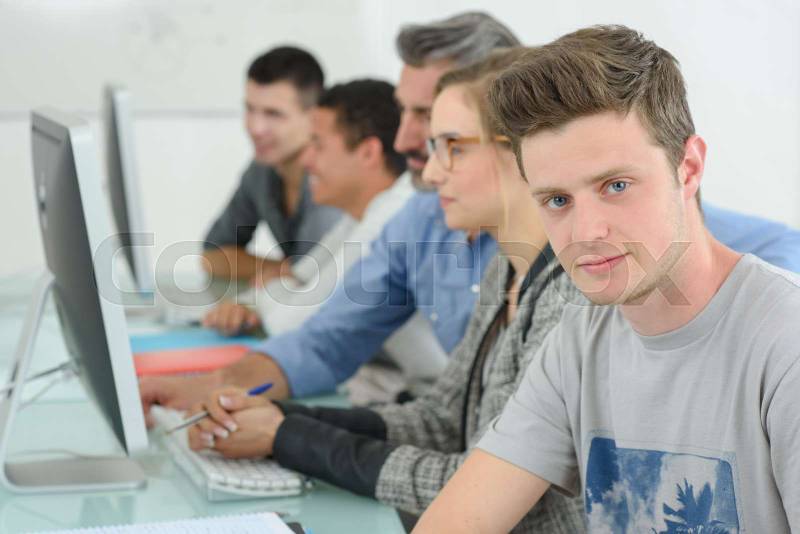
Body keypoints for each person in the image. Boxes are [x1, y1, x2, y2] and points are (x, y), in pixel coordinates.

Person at [140, 13, 800, 414]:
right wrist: (219, 391)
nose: (405, 141)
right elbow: (327, 341)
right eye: (410, 118)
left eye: (434, 124)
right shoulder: (424, 222)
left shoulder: (605, 240)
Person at [416, 26, 800, 533]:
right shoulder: (578, 341)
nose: (585, 232)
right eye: (558, 200)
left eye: (616, 185)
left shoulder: (784, 343)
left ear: (688, 168)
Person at [187, 48, 586, 532]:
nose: (431, 171)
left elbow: (478, 488)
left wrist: (288, 437)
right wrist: (282, 419)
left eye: (453, 147)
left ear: (519, 151)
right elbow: (442, 420)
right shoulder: (507, 269)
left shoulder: (568, 297)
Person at [202, 79, 412, 338]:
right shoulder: (356, 219)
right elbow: (302, 278)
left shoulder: (391, 220)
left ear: (368, 153)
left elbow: (292, 322)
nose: (305, 159)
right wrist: (250, 303)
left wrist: (274, 290)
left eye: (318, 145)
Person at [202, 46, 342, 285]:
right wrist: (285, 271)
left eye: (274, 114)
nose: (255, 128)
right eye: (250, 109)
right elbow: (213, 257)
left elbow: (321, 281)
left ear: (314, 116)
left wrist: (294, 274)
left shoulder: (336, 180)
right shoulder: (263, 169)